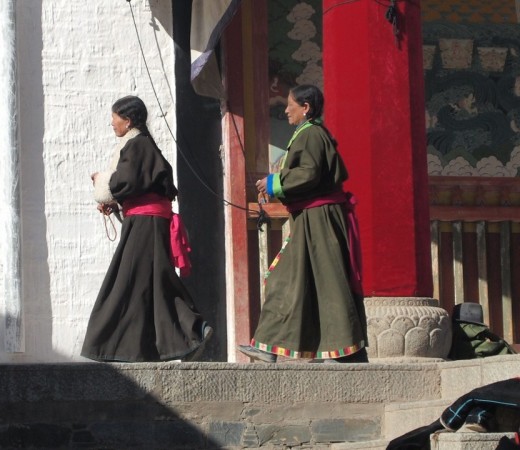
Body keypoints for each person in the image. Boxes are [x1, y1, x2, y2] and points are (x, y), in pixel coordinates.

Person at [237, 84, 368, 363]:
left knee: (315, 280)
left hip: (319, 219)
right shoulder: (310, 134)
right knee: (308, 280)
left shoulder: (312, 135)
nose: (285, 110)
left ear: (305, 107)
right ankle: (325, 349)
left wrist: (273, 183)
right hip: (312, 218)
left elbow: (308, 173)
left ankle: (340, 352)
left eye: (290, 104)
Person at [81, 95, 212, 362]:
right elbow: (140, 187)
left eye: (115, 118)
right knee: (153, 280)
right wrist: (117, 205)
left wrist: (102, 181)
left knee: (129, 281)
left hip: (145, 225)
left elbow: (125, 181)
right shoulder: (142, 145)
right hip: (146, 222)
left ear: (128, 121)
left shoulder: (136, 145)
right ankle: (191, 332)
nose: (112, 123)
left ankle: (190, 330)